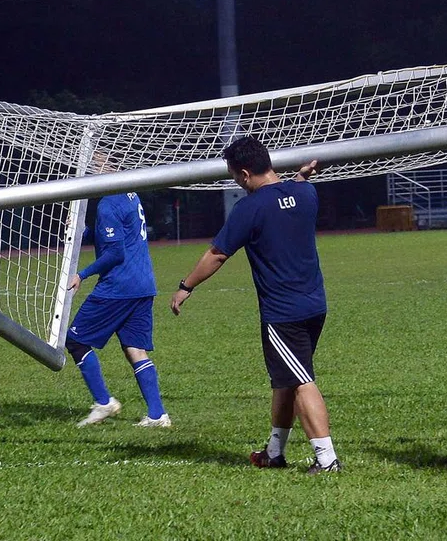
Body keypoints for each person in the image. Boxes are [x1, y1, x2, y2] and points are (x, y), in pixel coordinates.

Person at [170, 136, 339, 474]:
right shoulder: (306, 193)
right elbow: (295, 190)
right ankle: (274, 453)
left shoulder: (249, 208)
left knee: (301, 379)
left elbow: (217, 254)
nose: (236, 182)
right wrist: (302, 175)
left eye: (234, 176)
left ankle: (327, 459)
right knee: (286, 380)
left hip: (283, 313)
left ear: (245, 174)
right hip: (314, 305)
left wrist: (185, 286)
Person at [66, 170, 168, 428]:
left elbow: (115, 253)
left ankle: (104, 402)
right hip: (143, 283)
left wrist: (82, 274)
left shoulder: (108, 203)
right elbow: (115, 232)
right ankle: (158, 415)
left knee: (76, 341)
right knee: (135, 349)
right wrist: (82, 233)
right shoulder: (130, 194)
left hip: (119, 287)